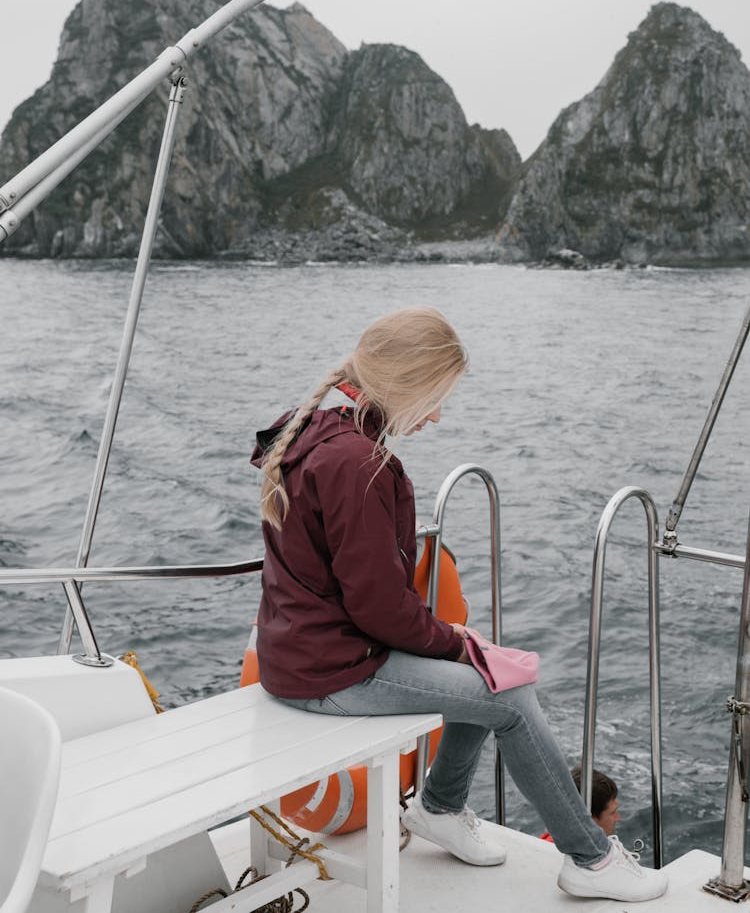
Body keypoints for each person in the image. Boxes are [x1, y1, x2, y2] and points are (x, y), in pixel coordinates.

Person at [251, 307, 667, 903]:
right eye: (435, 398)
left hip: (303, 655)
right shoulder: (356, 464)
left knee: (482, 671)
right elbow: (379, 611)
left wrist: (460, 645)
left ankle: (440, 808)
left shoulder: (317, 429)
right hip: (331, 673)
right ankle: (592, 860)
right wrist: (461, 641)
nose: (437, 415)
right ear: (403, 385)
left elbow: (365, 600)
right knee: (510, 696)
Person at [541, 767, 621, 842]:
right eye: (612, 812)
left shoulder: (549, 841)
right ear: (589, 819)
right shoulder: (561, 854)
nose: (618, 818)